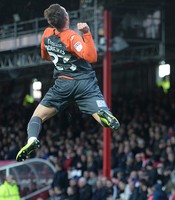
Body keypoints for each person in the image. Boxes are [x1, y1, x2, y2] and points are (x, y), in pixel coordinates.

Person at [16, 3, 120, 162]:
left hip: (62, 84)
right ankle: (103, 112)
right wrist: (86, 33)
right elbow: (91, 57)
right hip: (84, 83)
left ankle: (31, 140)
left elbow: (45, 56)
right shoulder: (71, 36)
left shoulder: (46, 34)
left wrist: (61, 59)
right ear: (66, 18)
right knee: (104, 121)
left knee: (37, 117)